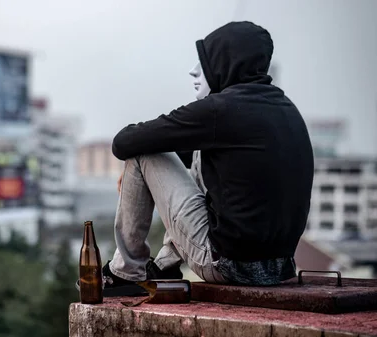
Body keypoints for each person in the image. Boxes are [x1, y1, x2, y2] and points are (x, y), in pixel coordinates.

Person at [101, 21, 314, 296]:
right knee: (201, 149)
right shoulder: (286, 110)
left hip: (229, 265)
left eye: (205, 60)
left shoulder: (220, 110)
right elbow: (191, 156)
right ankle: (165, 266)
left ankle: (125, 273)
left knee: (144, 152)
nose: (194, 70)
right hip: (280, 267)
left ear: (227, 63)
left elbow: (124, 142)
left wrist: (139, 171)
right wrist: (151, 179)